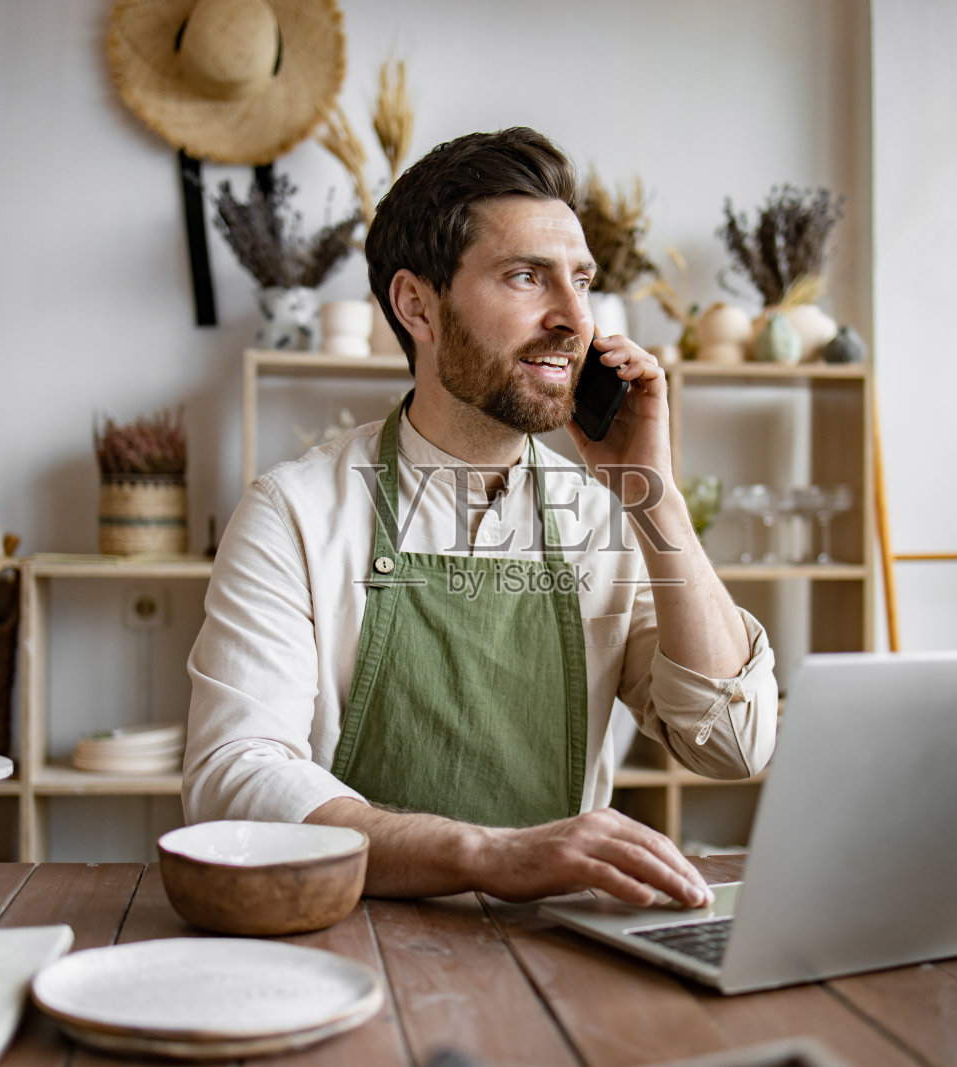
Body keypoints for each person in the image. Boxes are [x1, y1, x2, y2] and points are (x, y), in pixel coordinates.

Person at [184, 127, 776, 908]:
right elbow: (236, 779)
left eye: (582, 281)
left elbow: (733, 746)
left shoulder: (607, 516)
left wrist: (652, 490)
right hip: (358, 941)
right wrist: (487, 854)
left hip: (558, 949)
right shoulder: (293, 513)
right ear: (416, 306)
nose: (575, 319)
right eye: (527, 277)